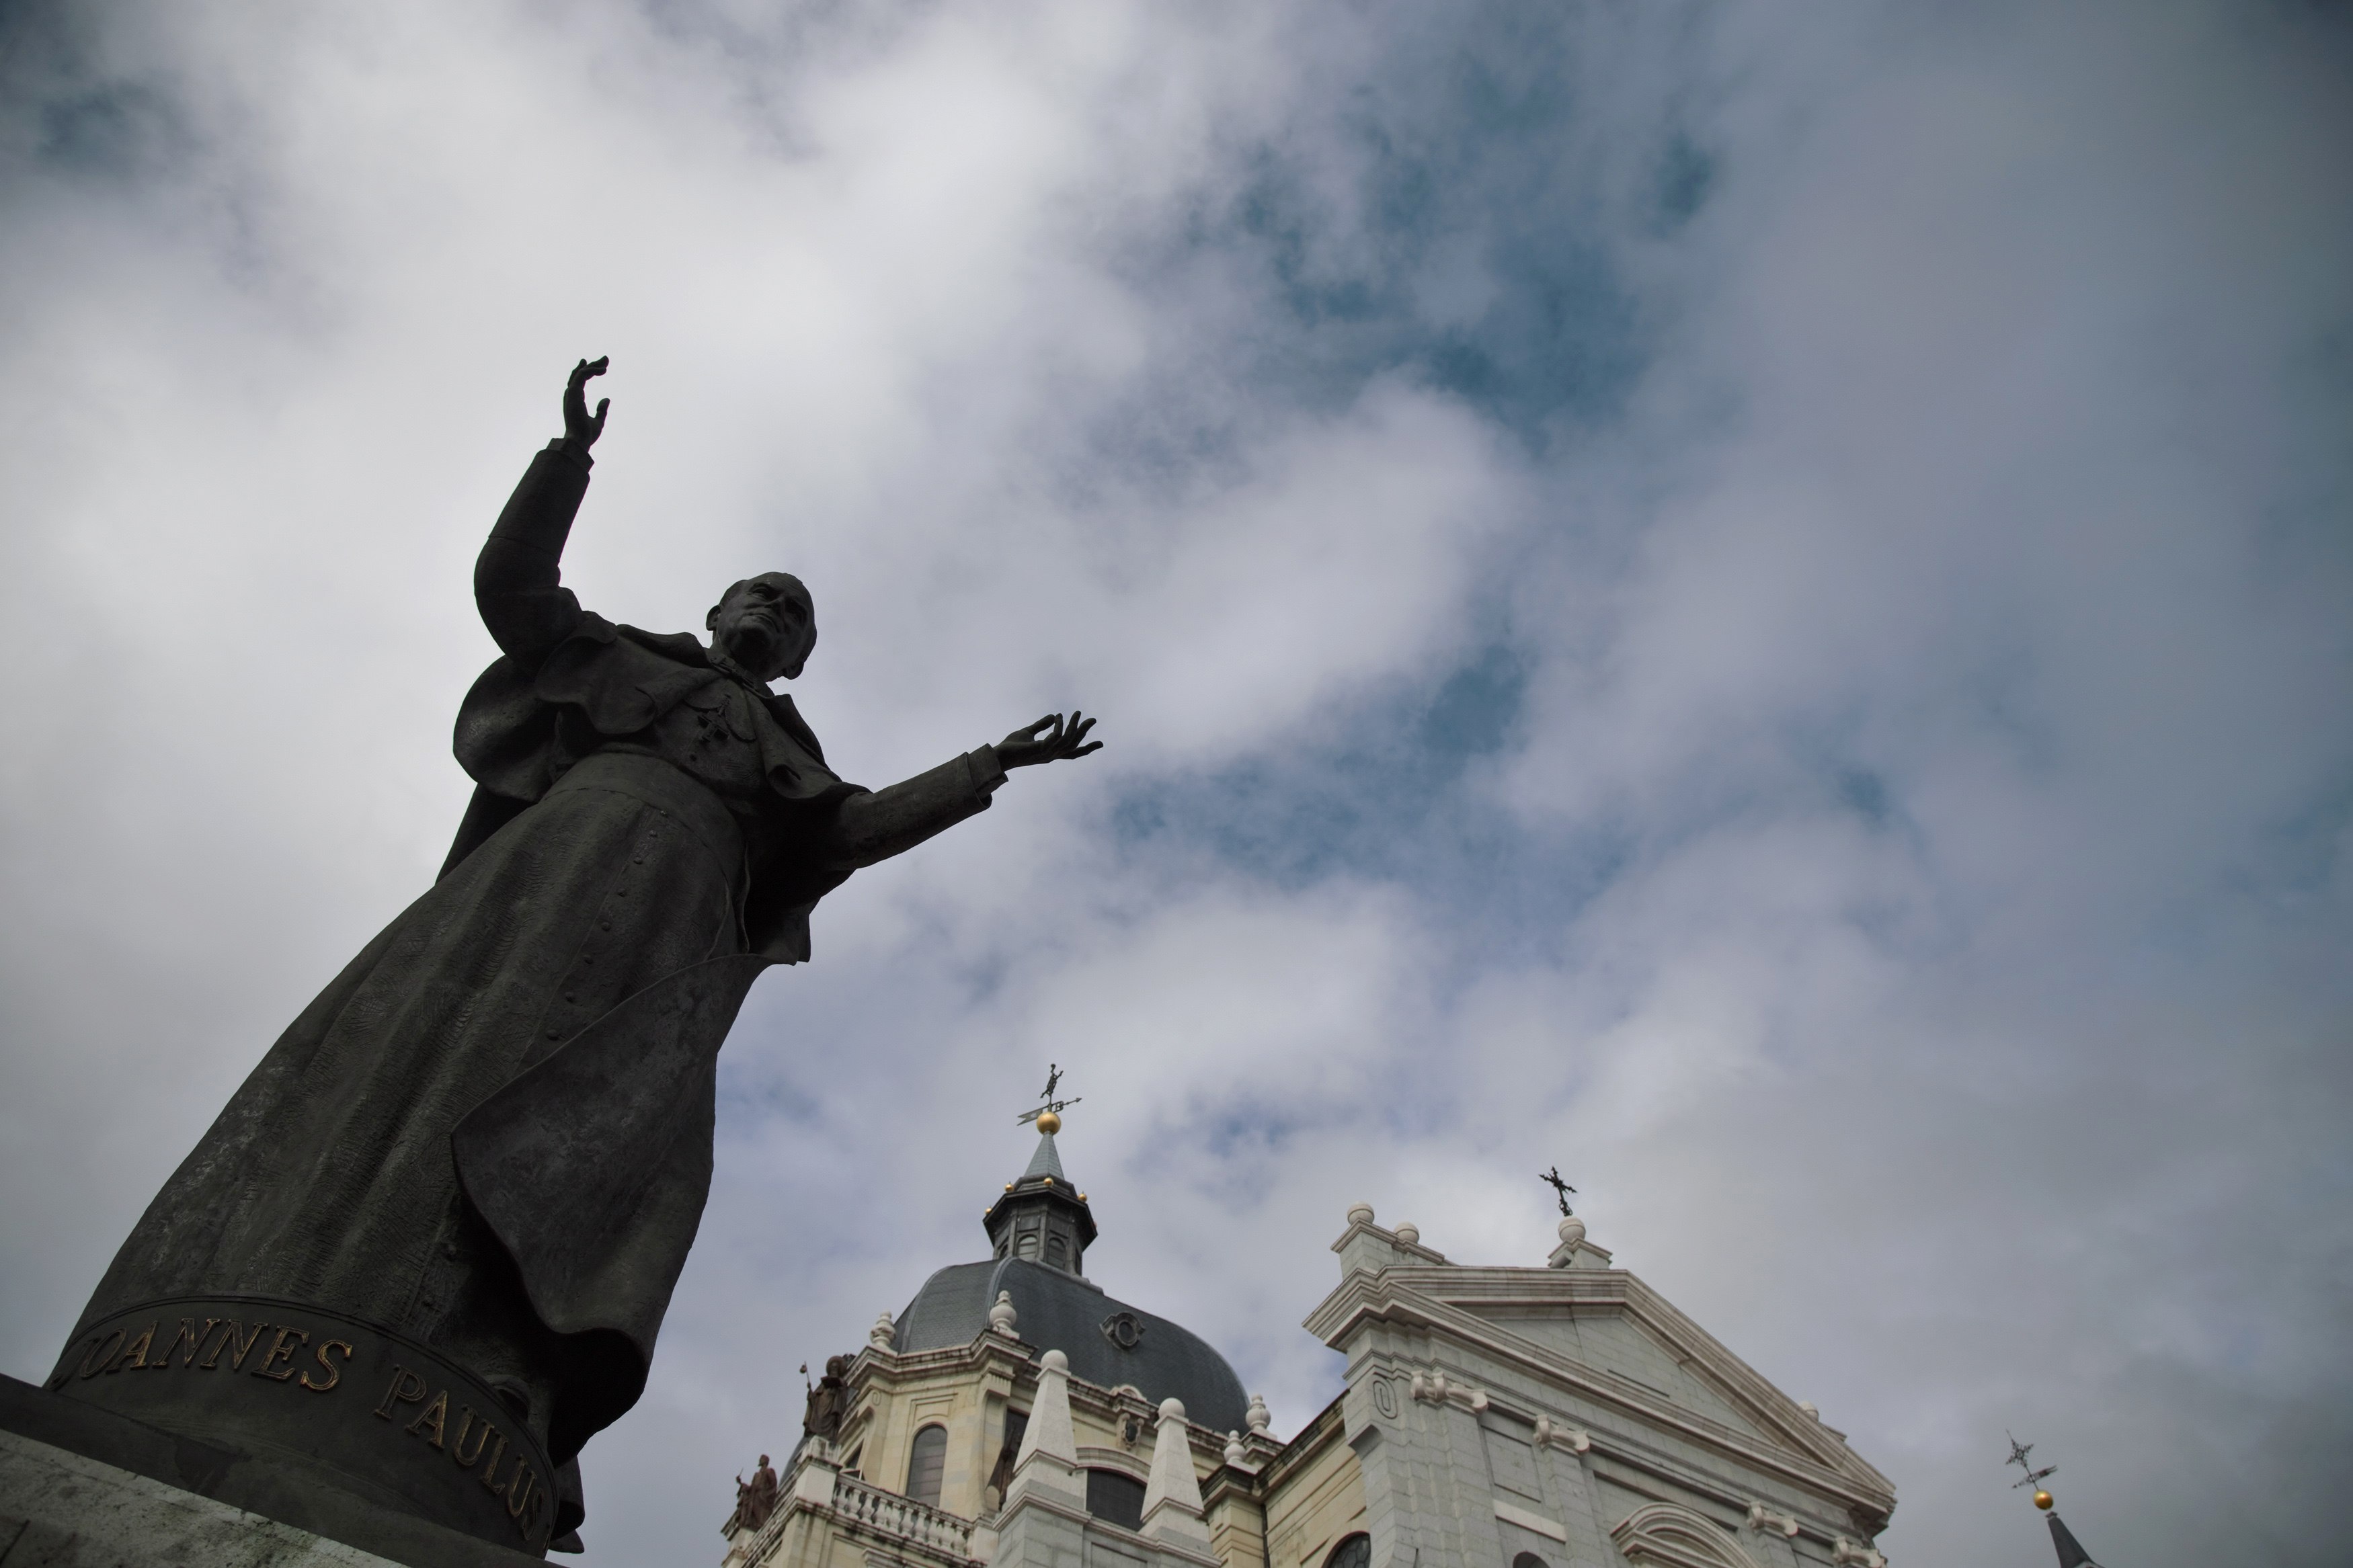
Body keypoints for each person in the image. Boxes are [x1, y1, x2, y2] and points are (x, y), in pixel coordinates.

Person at [61, 358, 1100, 1524]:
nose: (771, 611)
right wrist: (566, 462)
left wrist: (987, 767)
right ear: (717, 611)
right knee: (428, 1059)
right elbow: (512, 589)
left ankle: (502, 1378)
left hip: (663, 965)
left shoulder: (787, 758)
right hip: (530, 892)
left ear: (801, 658)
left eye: (794, 612)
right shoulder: (620, 659)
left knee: (617, 1156)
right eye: (758, 593)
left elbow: (849, 828)